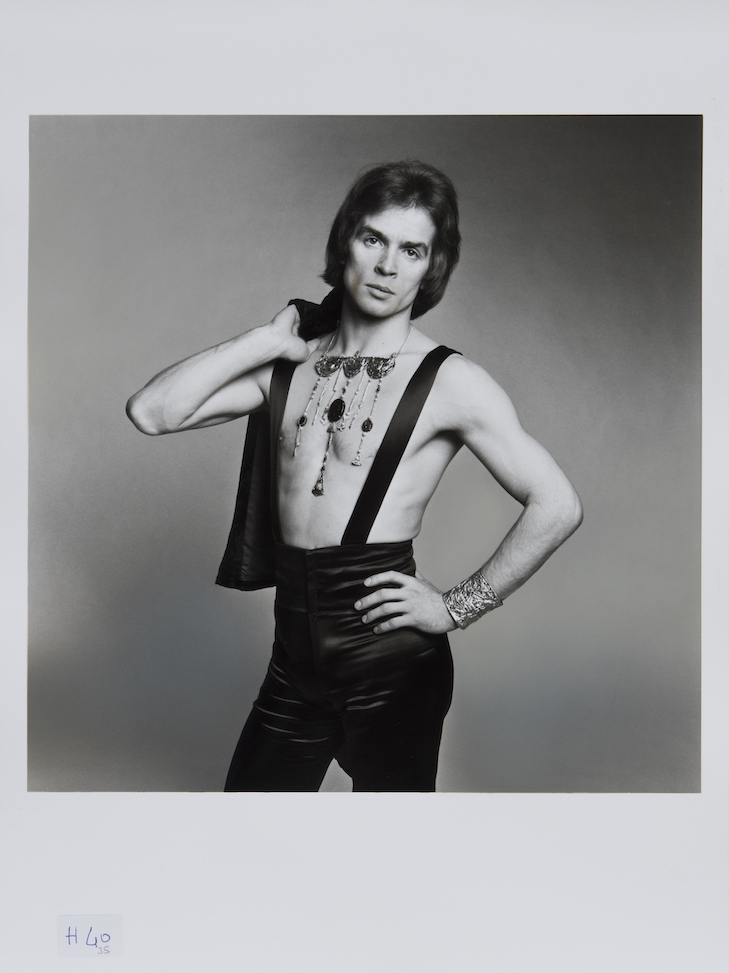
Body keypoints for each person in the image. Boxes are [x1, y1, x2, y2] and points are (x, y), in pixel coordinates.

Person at [126, 160, 583, 792]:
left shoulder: (450, 381)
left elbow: (557, 505)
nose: (388, 265)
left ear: (432, 267)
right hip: (292, 662)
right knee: (243, 844)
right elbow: (152, 413)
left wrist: (455, 608)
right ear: (346, 240)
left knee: (390, 859)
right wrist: (263, 340)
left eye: (412, 249)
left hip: (390, 661)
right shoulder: (288, 366)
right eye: (374, 239)